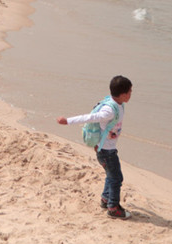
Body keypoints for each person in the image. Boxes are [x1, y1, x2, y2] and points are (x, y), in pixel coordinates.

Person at [56, 75, 134, 219]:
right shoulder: (109, 110)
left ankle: (105, 200)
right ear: (122, 94)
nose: (131, 94)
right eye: (130, 92)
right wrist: (67, 121)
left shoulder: (118, 104)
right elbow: (90, 117)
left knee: (111, 176)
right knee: (116, 178)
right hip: (106, 151)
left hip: (106, 148)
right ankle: (113, 208)